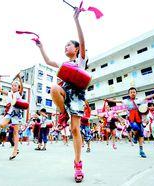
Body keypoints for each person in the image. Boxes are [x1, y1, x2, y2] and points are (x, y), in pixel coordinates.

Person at [35, 7, 87, 182]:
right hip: (66, 93)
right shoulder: (63, 64)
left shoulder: (80, 61)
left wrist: (76, 20)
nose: (66, 47)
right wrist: (41, 47)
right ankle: (63, 112)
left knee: (74, 130)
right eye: (65, 45)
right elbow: (48, 61)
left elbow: (83, 42)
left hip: (78, 97)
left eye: (69, 45)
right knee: (54, 88)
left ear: (77, 49)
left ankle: (78, 163)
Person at [106, 87, 154, 158]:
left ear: (136, 93)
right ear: (129, 94)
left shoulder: (140, 100)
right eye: (131, 92)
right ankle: (134, 137)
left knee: (140, 135)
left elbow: (149, 96)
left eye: (134, 92)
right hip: (131, 118)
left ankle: (141, 150)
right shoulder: (126, 101)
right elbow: (117, 101)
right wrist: (108, 100)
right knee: (135, 127)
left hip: (139, 118)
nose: (132, 93)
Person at [0, 74, 24, 160]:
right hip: (9, 113)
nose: (13, 87)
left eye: (15, 85)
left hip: (16, 114)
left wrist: (19, 78)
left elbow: (22, 87)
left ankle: (15, 150)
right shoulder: (9, 93)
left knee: (15, 133)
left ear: (18, 87)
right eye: (12, 85)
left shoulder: (19, 93)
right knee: (1, 125)